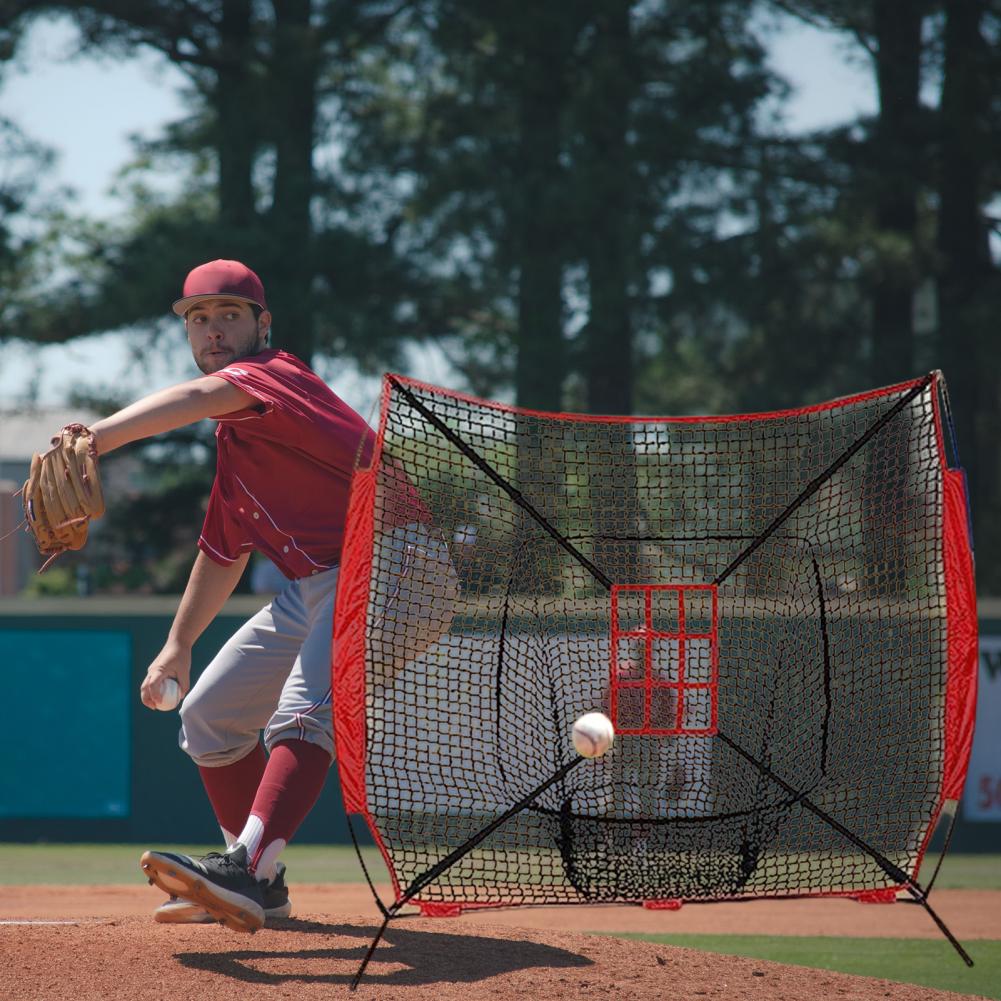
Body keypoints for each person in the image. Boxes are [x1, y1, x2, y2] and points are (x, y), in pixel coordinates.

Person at [81, 259, 455, 932]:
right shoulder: (237, 448)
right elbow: (220, 552)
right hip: (316, 584)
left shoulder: (274, 375)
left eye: (229, 314)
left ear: (263, 323)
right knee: (209, 715)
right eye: (199, 317)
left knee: (301, 712)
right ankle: (259, 881)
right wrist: (175, 646)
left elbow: (197, 398)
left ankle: (246, 867)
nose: (213, 329)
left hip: (395, 559)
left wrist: (97, 438)